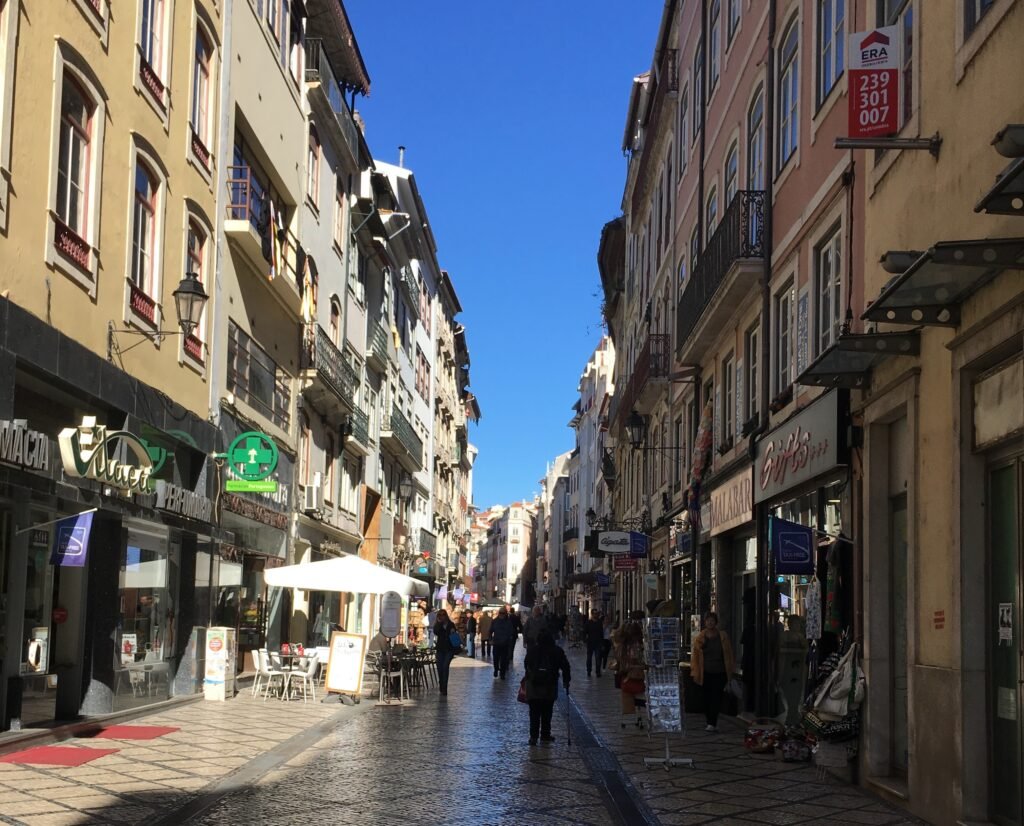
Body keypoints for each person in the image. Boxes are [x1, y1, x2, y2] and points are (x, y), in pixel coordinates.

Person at [523, 630, 571, 746]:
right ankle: (545, 735)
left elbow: (526, 664)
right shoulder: (557, 651)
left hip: (534, 686)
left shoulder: (532, 650)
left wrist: (530, 676)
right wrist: (566, 681)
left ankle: (533, 737)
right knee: (547, 711)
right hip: (550, 685)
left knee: (534, 712)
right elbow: (566, 667)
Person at [690, 611, 736, 732]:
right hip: (705, 672)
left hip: (720, 672)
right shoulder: (700, 637)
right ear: (705, 622)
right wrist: (694, 671)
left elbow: (728, 654)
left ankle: (712, 722)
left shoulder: (723, 636)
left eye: (712, 620)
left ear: (716, 622)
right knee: (706, 698)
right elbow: (695, 656)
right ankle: (709, 720)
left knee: (716, 697)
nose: (710, 622)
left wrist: (730, 671)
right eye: (708, 620)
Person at [615, 621, 647, 727]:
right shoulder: (637, 646)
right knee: (639, 696)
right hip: (635, 675)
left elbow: (619, 660)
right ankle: (639, 717)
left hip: (625, 676)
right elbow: (639, 660)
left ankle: (627, 719)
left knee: (627, 697)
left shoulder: (621, 645)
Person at [433, 609, 460, 696]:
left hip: (449, 649)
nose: (442, 616)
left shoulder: (451, 624)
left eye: (443, 614)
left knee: (445, 667)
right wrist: (439, 623)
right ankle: (441, 683)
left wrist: (452, 632)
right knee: (440, 668)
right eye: (440, 615)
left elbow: (454, 634)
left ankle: (444, 688)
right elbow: (435, 632)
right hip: (440, 649)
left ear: (446, 615)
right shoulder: (438, 625)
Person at [489, 607, 514, 679]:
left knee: (503, 660)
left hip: (505, 644)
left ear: (505, 614)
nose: (501, 615)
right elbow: (490, 631)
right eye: (500, 613)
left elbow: (511, 632)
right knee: (495, 658)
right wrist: (490, 639)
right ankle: (496, 669)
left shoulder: (508, 622)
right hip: (496, 643)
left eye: (503, 613)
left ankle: (502, 673)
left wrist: (509, 639)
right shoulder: (494, 621)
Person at [584, 610, 604, 677]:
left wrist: (602, 643)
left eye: (597, 613)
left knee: (598, 658)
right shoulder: (588, 623)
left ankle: (598, 672)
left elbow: (601, 633)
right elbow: (585, 632)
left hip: (598, 643)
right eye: (595, 614)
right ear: (592, 614)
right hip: (590, 643)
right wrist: (585, 640)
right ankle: (589, 671)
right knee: (589, 658)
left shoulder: (599, 622)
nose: (596, 615)